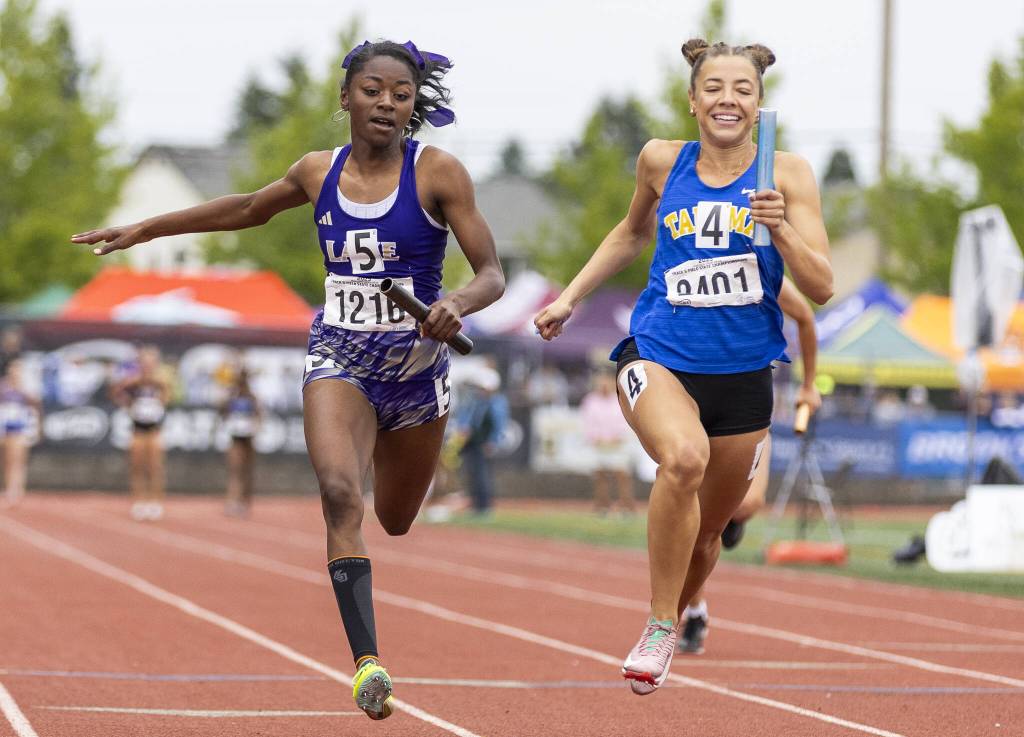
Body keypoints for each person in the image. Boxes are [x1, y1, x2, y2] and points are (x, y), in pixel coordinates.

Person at [72, 39, 504, 720]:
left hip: (417, 373)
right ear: (346, 99)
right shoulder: (315, 172)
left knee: (393, 518)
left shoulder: (438, 174)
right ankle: (368, 663)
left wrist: (457, 303)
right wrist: (147, 228)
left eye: (400, 93)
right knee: (338, 493)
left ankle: (378, 569)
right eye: (373, 90)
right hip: (339, 356)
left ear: (413, 104)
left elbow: (492, 272)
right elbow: (246, 206)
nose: (387, 103)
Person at [534, 38, 832, 695]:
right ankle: (661, 623)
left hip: (746, 372)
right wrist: (570, 295)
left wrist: (780, 229)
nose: (729, 98)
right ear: (693, 100)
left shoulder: (789, 175)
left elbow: (822, 287)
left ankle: (686, 601)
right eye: (716, 87)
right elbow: (631, 233)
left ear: (759, 103)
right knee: (683, 458)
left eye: (743, 89)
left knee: (709, 537)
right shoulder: (661, 161)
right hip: (661, 351)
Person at [677, 276, 821, 654]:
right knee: (694, 524)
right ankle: (695, 609)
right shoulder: (687, 261)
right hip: (691, 399)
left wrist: (809, 384)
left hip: (747, 408)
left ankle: (729, 520)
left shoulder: (761, 267)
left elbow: (806, 317)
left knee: (745, 506)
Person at [111, 346, 171, 521]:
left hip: (154, 428)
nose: (147, 366)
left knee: (155, 466)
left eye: (151, 362)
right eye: (144, 362)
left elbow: (167, 398)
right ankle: (138, 501)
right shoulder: (133, 382)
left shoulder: (159, 382)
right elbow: (116, 393)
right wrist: (127, 401)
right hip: (137, 428)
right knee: (137, 466)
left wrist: (159, 401)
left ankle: (155, 501)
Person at [579, 369, 636, 515]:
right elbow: (587, 422)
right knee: (600, 475)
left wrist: (617, 437)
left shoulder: (620, 399)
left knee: (622, 475)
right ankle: (602, 505)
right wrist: (595, 437)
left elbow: (625, 420)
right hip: (599, 444)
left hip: (617, 443)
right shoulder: (590, 400)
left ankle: (626, 506)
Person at [455, 366, 507, 516]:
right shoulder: (477, 401)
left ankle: (484, 506)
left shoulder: (496, 403)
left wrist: (492, 441)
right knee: (473, 473)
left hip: (483, 443)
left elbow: (498, 424)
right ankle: (476, 504)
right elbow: (467, 418)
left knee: (482, 474)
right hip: (471, 442)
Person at [220, 366, 262, 517]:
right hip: (235, 436)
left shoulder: (251, 396)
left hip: (248, 436)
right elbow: (222, 411)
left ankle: (245, 501)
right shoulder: (232, 396)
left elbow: (258, 413)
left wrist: (256, 426)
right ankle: (232, 500)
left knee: (247, 470)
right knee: (234, 470)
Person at [1, 359, 41, 508]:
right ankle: (8, 487)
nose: (14, 372)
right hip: (4, 427)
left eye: (18, 369)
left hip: (20, 428)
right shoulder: (3, 385)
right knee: (6, 461)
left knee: (18, 461)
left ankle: (15, 490)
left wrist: (21, 389)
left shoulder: (27, 386)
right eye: (13, 369)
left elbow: (36, 404)